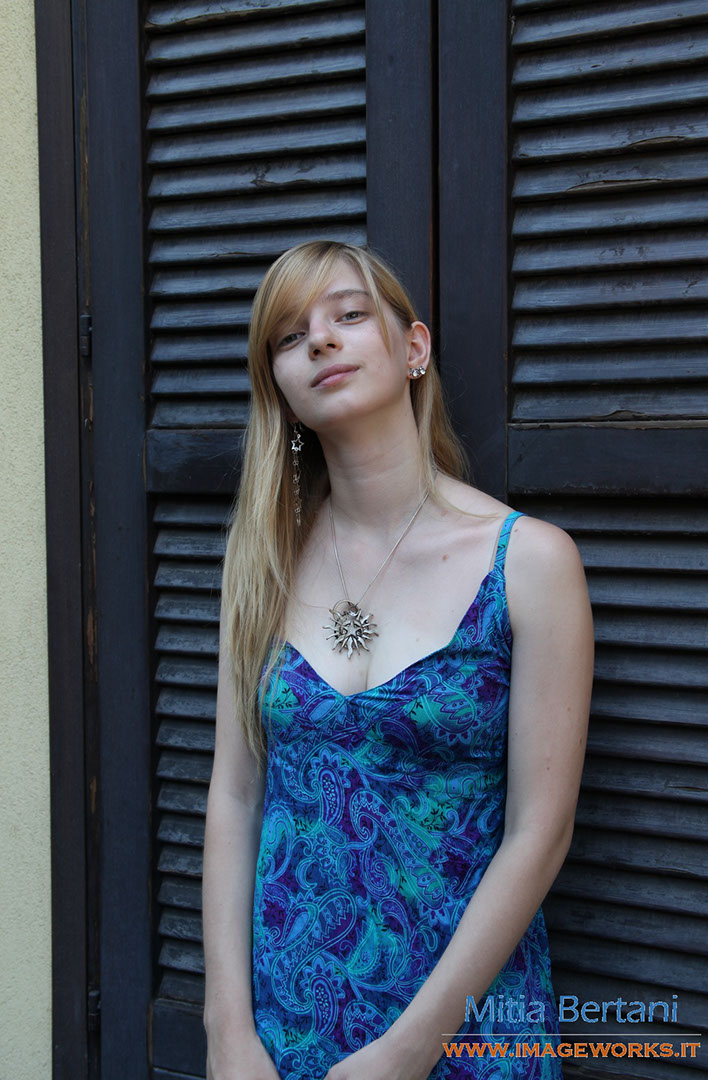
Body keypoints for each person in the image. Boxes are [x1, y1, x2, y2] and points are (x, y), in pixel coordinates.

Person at [202, 240, 595, 1080]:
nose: (319, 340)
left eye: (348, 315)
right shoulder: (262, 565)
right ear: (280, 386)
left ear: (414, 348)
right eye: (289, 336)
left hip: (464, 1036)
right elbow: (235, 797)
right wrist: (226, 1031)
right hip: (284, 1031)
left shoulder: (529, 564)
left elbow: (540, 833)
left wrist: (412, 1050)